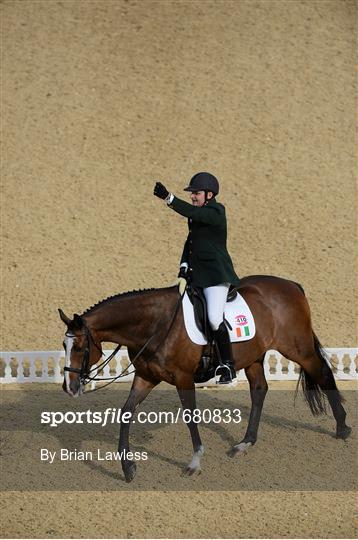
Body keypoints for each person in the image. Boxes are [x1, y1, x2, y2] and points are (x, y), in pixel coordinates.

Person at [153, 172, 240, 384]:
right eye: (192, 193)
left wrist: (169, 198)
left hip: (215, 276)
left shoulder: (216, 211)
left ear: (210, 194)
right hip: (196, 275)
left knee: (213, 318)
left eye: (196, 193)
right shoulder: (197, 214)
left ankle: (228, 366)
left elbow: (192, 212)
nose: (193, 196)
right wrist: (183, 267)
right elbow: (190, 243)